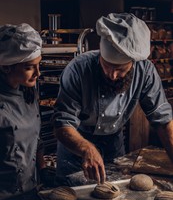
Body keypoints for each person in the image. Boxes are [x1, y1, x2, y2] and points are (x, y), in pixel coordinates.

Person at [52, 13, 173, 186]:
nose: (113, 75)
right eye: (106, 66)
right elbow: (61, 124)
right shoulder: (78, 70)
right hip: (76, 149)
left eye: (121, 69)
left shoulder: (145, 71)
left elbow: (163, 120)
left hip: (114, 146)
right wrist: (87, 149)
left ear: (133, 62)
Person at [0, 23, 58, 200]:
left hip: (31, 192)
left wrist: (42, 168)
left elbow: (36, 138)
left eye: (39, 65)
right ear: (6, 66)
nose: (38, 73)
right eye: (29, 67)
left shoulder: (29, 91)